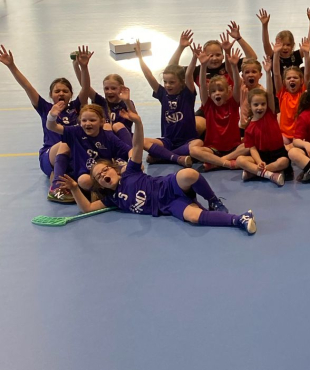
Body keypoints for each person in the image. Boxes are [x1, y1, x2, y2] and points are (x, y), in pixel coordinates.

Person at [56, 112, 256, 234]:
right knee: (193, 217)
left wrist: (138, 123)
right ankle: (239, 219)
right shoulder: (112, 199)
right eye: (99, 177)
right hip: (167, 205)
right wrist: (74, 188)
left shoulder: (130, 172)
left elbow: (136, 146)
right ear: (100, 185)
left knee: (188, 174)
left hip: (168, 186)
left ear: (115, 170)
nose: (103, 175)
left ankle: (213, 200)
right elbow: (88, 208)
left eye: (105, 170)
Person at [0, 45, 89, 200]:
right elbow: (27, 86)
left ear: (71, 94)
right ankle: (56, 188)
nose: (61, 93)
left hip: (72, 156)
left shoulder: (76, 107)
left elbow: (86, 88)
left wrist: (84, 67)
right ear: (51, 94)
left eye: (65, 91)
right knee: (64, 143)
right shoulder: (45, 108)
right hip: (49, 156)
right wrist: (11, 66)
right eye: (57, 91)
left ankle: (59, 178)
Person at [47, 102, 131, 194]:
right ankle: (105, 193)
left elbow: (129, 150)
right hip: (87, 175)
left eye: (92, 120)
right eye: (84, 120)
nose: (87, 123)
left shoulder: (108, 136)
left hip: (104, 173)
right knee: (84, 180)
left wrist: (132, 162)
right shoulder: (75, 132)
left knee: (131, 167)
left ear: (102, 122)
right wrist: (52, 115)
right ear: (80, 122)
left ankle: (121, 188)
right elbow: (52, 127)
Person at [189, 46, 243, 170]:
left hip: (234, 147)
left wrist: (234, 67)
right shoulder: (208, 105)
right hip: (213, 148)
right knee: (194, 151)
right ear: (209, 94)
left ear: (228, 91)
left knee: (249, 146)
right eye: (213, 91)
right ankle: (226, 163)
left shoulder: (233, 103)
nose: (217, 93)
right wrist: (203, 66)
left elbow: (237, 84)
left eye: (221, 90)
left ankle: (215, 162)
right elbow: (203, 86)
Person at [235, 71, 290, 186]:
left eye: (263, 104)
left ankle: (254, 173)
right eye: (256, 105)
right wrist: (259, 161)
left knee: (284, 161)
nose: (260, 107)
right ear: (250, 105)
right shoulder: (249, 127)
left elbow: (269, 93)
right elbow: (252, 149)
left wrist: (268, 73)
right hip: (261, 156)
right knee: (240, 160)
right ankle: (270, 175)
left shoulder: (270, 113)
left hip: (277, 153)